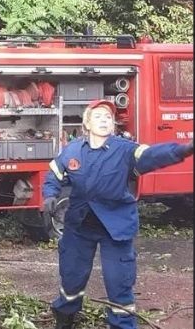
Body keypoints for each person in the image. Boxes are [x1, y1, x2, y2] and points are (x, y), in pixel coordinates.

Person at [43, 99, 193, 329]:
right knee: (71, 275)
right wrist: (50, 194)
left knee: (119, 281)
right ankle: (65, 315)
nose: (104, 120)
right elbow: (54, 173)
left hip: (116, 226)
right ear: (87, 123)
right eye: (98, 116)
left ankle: (122, 324)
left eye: (108, 117)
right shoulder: (72, 150)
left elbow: (152, 155)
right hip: (80, 225)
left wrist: (183, 149)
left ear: (113, 125)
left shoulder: (126, 149)